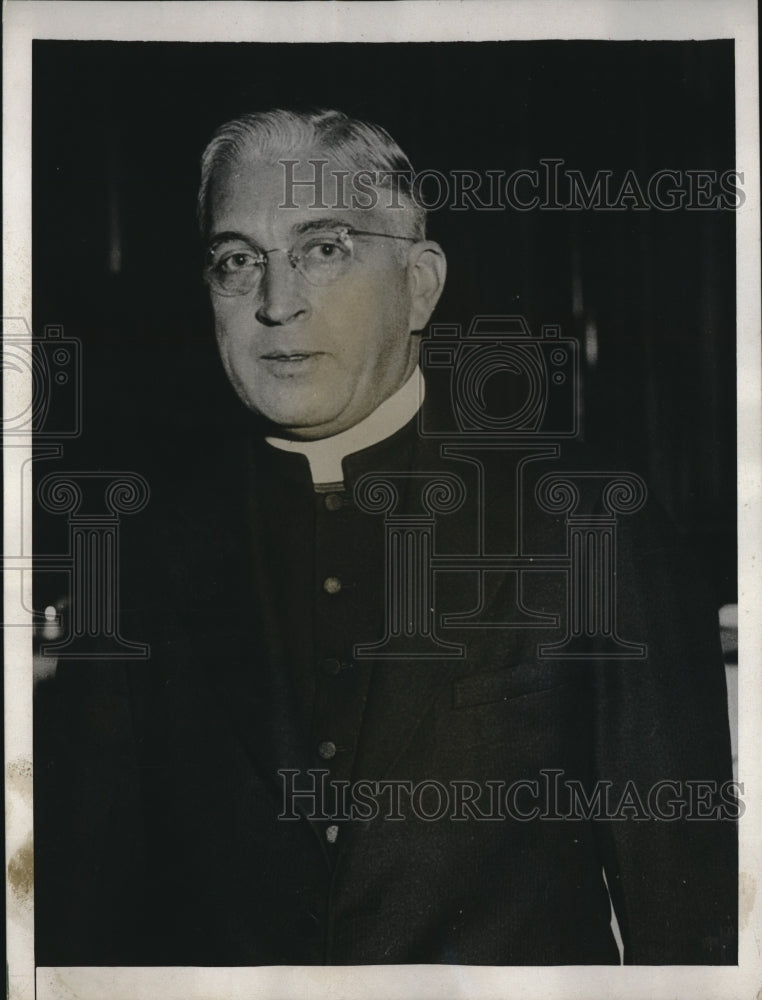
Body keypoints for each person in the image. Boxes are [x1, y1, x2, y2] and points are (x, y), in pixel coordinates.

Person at [35, 108, 737, 966]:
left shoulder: (591, 522)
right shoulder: (138, 555)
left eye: (322, 249)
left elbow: (690, 930)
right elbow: (76, 933)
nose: (276, 303)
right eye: (236, 261)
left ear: (421, 284)